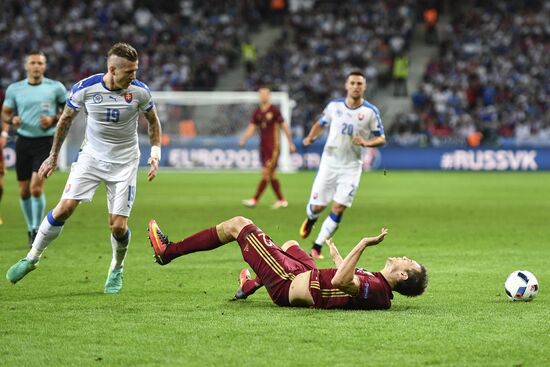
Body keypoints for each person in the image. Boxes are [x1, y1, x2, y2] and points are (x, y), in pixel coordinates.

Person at [5, 43, 162, 294]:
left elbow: (153, 122)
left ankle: (117, 268)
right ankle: (31, 258)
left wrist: (155, 153)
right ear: (112, 69)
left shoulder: (140, 92)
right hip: (91, 157)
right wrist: (53, 156)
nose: (134, 76)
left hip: (124, 162)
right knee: (64, 208)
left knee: (118, 226)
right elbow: (65, 119)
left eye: (136, 70)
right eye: (129, 71)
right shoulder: (85, 88)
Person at [147, 216, 427, 309]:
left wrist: (363, 243)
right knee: (291, 244)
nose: (403, 257)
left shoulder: (378, 291)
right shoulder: (377, 285)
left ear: (402, 276)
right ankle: (251, 283)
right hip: (308, 275)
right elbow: (345, 281)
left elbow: (342, 281)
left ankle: (168, 252)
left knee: (238, 225)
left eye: (408, 262)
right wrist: (337, 255)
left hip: (288, 282)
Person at [300, 70, 385, 259]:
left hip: (352, 167)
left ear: (364, 87)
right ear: (347, 85)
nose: (356, 86)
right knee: (317, 208)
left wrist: (366, 143)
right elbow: (320, 123)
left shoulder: (370, 112)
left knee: (338, 207)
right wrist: (310, 137)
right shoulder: (334, 106)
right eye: (352, 83)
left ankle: (317, 246)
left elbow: (381, 138)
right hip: (329, 163)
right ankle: (311, 219)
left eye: (359, 84)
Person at [1, 51, 67, 244]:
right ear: (26, 66)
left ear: (44, 66)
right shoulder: (15, 89)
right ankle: (30, 228)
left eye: (40, 63)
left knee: (36, 188)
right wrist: (12, 119)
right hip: (23, 141)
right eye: (33, 63)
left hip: (46, 142)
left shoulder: (56, 88)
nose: (37, 66)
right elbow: (5, 114)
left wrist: (54, 118)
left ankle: (38, 228)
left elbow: (69, 111)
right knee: (23, 191)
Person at [240, 87, 296, 209]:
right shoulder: (257, 112)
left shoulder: (274, 111)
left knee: (266, 173)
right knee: (272, 175)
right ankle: (281, 200)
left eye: (265, 94)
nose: (263, 96)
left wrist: (290, 143)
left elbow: (284, 127)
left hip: (273, 147)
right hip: (263, 147)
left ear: (269, 96)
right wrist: (244, 138)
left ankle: (255, 200)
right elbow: (252, 127)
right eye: (261, 94)